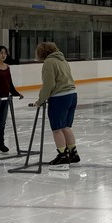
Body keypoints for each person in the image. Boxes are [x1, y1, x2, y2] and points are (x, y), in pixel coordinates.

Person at [29, 41, 79, 170]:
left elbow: (49, 84)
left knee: (57, 129)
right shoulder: (62, 60)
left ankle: (62, 155)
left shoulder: (49, 62)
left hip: (60, 97)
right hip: (72, 95)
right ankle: (73, 153)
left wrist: (40, 100)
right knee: (66, 127)